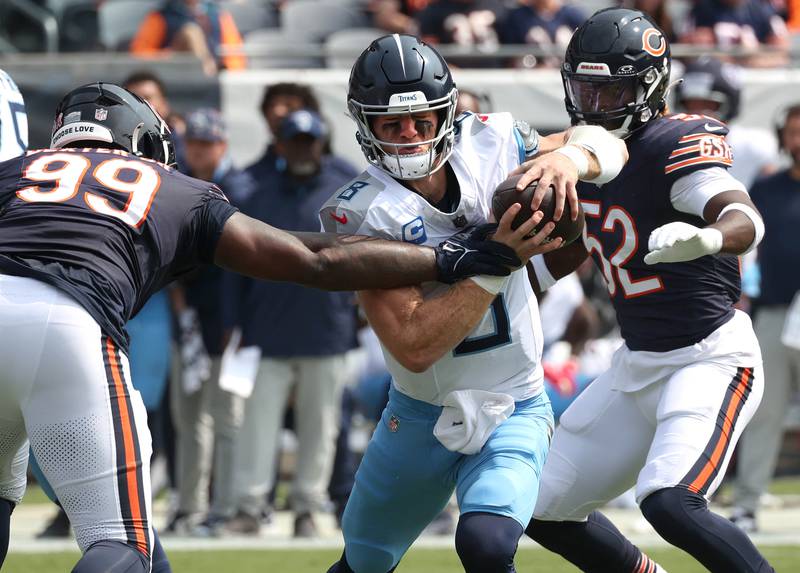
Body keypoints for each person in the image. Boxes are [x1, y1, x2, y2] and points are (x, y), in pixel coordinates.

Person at [0, 82, 524, 573]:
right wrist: (447, 259)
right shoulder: (168, 185)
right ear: (141, 139)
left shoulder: (13, 171)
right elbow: (312, 261)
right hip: (65, 322)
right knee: (123, 543)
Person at [321, 34, 628, 573]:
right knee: (364, 563)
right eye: (391, 124)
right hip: (419, 414)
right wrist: (497, 264)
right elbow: (415, 345)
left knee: (486, 545)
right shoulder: (361, 212)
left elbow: (611, 144)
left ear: (446, 113)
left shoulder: (494, 142)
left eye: (420, 119)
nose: (409, 136)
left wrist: (572, 159)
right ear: (365, 127)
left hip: (515, 403)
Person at [522, 9, 774, 573]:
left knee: (671, 503)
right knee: (540, 507)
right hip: (636, 363)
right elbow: (567, 253)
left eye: (612, 90)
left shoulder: (672, 140)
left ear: (650, 86)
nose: (595, 104)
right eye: (586, 87)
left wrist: (709, 236)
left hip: (709, 357)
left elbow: (744, 217)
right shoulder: (582, 155)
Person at [224, 109, 361, 538]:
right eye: (295, 141)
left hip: (326, 328)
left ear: (320, 143)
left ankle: (307, 507)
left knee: (321, 429)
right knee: (257, 426)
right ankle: (249, 506)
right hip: (266, 329)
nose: (303, 148)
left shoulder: (342, 193)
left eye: (309, 141)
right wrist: (233, 321)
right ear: (279, 145)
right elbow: (234, 264)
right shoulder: (257, 193)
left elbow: (365, 257)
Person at [165, 108, 254, 536]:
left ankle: (228, 505)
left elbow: (245, 265)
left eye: (206, 143)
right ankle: (189, 505)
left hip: (231, 323)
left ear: (222, 144)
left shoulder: (240, 188)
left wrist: (239, 322)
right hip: (191, 318)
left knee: (229, 419)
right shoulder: (179, 182)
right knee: (190, 418)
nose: (198, 150)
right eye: (194, 142)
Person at [730, 103, 800, 533]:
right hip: (773, 312)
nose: (799, 139)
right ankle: (747, 503)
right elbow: (745, 245)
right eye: (794, 131)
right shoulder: (767, 187)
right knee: (763, 413)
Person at [675, 56, 778, 190]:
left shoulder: (753, 145)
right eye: (691, 104)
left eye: (708, 104)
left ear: (729, 105)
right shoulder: (669, 145)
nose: (698, 114)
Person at [130, 0, 246, 75]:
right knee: (191, 32)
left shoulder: (219, 15)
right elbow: (140, 55)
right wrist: (169, 56)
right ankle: (206, 70)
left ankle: (207, 72)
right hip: (174, 72)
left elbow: (234, 55)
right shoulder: (161, 16)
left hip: (214, 75)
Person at [680, 0, 789, 67]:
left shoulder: (763, 9)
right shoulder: (702, 9)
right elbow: (686, 52)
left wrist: (751, 58)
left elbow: (782, 55)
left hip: (756, 78)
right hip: (715, 76)